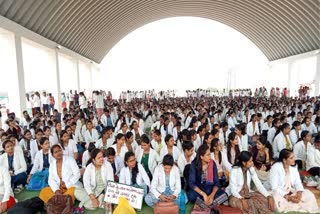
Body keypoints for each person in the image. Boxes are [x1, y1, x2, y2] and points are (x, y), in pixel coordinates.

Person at [268, 149, 319, 213]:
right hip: (279, 192)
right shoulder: (275, 167)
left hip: (291, 191)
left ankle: (294, 201)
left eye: (294, 157)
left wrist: (299, 193)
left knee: (309, 194)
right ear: (284, 160)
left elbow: (297, 182)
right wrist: (287, 197)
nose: (294, 159)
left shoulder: (294, 167)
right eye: (291, 158)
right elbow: (274, 187)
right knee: (276, 199)